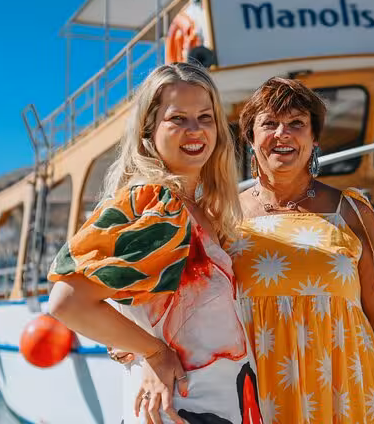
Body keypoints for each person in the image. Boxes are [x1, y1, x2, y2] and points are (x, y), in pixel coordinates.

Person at [47, 62, 262, 424]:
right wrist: (154, 353)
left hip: (222, 403)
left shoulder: (199, 210)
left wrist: (139, 349)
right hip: (184, 408)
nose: (195, 130)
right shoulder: (154, 202)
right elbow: (68, 301)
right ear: (149, 130)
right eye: (178, 119)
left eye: (205, 117)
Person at [229, 77, 374, 423]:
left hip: (347, 394)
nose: (282, 133)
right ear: (250, 137)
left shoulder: (352, 212)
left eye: (296, 123)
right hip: (259, 395)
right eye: (269, 123)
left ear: (314, 139)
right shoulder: (222, 217)